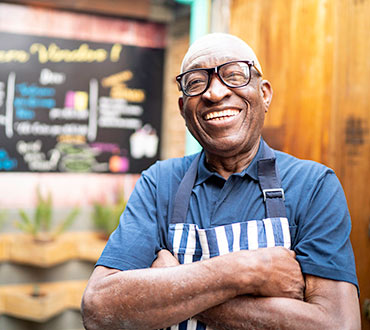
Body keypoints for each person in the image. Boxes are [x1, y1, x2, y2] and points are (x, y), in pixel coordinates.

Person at [81, 33, 360, 330]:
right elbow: (99, 309)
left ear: (264, 94)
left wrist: (173, 286)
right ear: (182, 109)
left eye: (234, 75)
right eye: (196, 82)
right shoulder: (160, 183)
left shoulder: (313, 186)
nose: (214, 93)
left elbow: (338, 324)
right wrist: (247, 271)